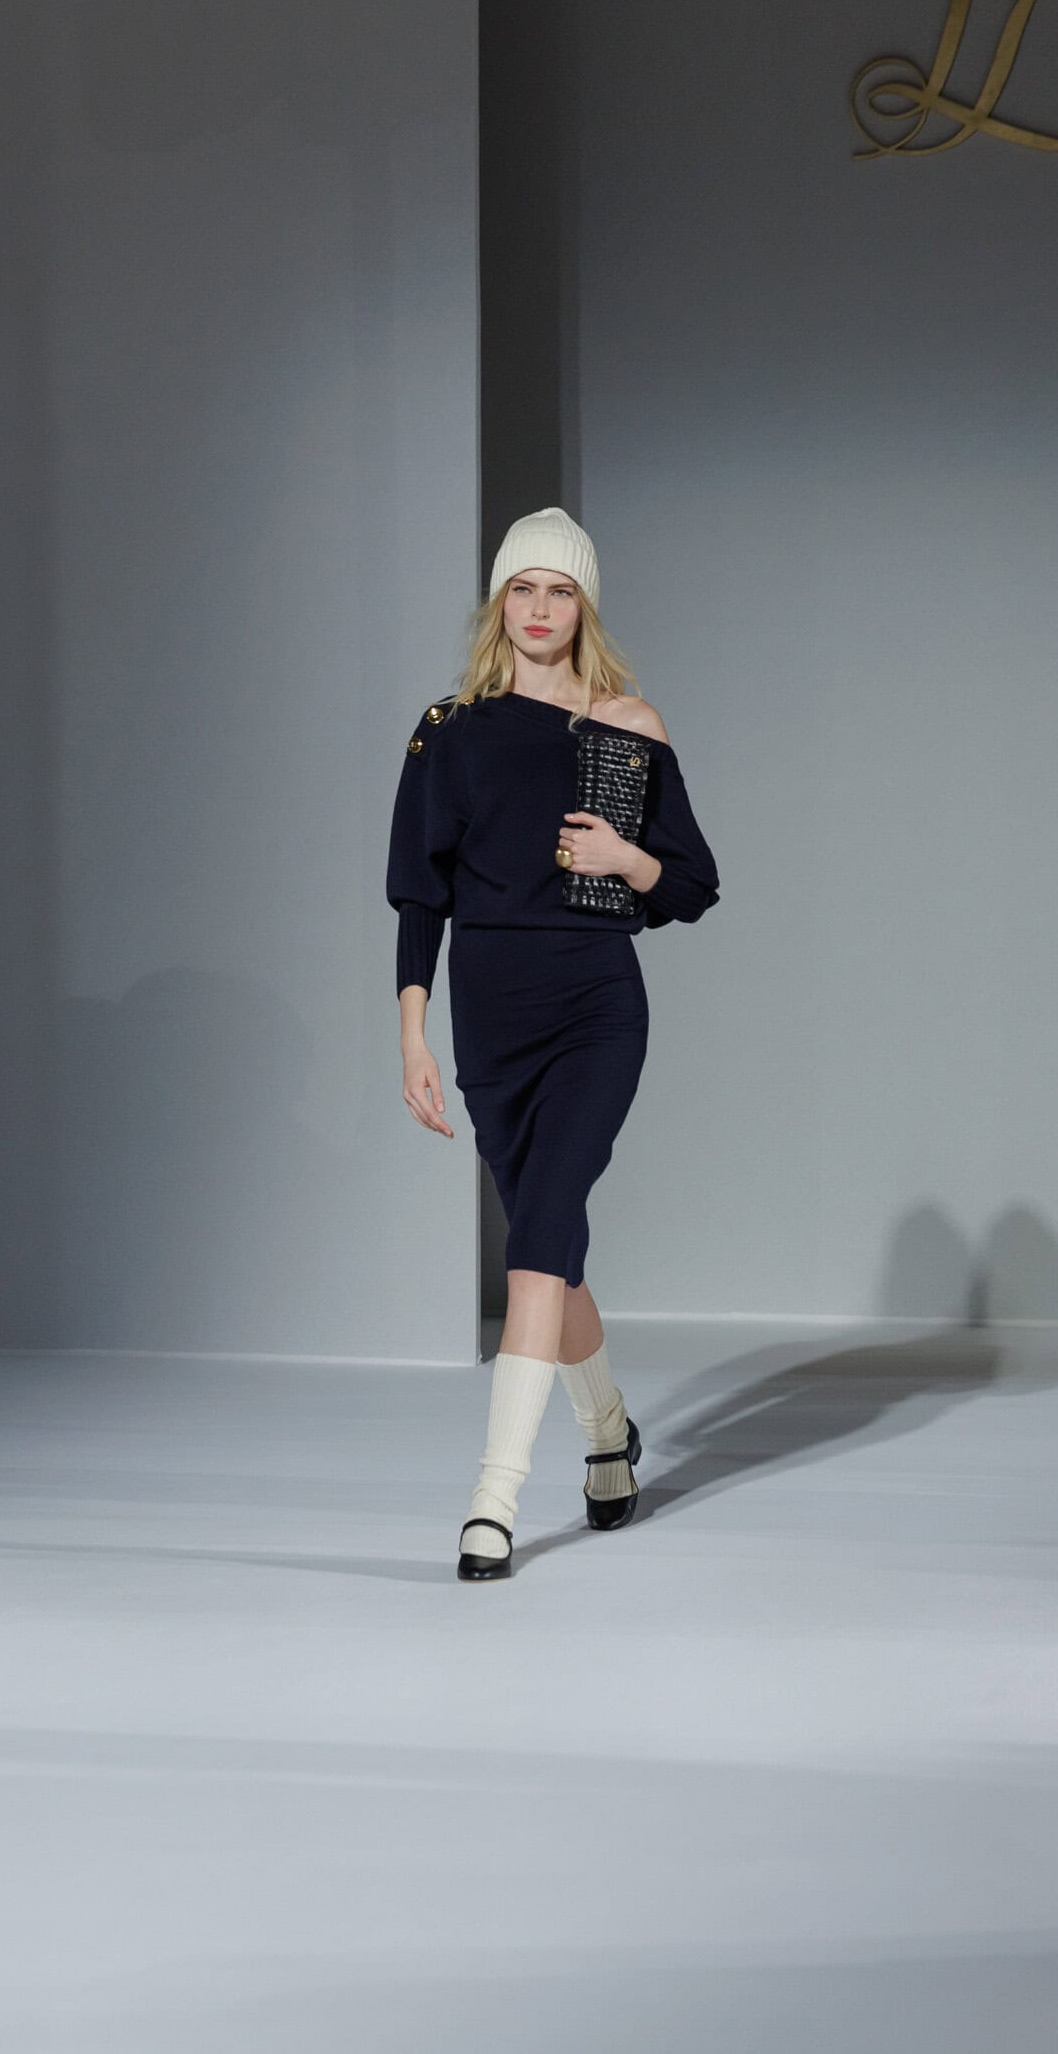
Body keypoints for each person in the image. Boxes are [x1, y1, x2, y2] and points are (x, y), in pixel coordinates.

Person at [384, 504, 720, 1581]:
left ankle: (492, 1505)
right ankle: (609, 1432)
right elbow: (420, 893)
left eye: (559, 591)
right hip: (491, 1018)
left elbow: (693, 884)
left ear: (585, 607)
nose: (539, 609)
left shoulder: (628, 724)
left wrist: (627, 858)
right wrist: (413, 1036)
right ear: (499, 602)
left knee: (535, 1243)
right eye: (522, 589)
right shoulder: (450, 729)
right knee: (552, 1243)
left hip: (594, 1009)